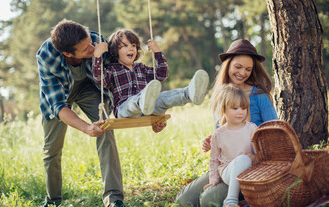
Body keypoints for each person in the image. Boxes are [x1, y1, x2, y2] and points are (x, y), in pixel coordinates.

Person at [36, 20, 166, 207]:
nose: (92, 48)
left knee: (104, 127)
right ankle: (53, 200)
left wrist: (151, 114)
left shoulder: (97, 42)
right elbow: (58, 106)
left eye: (90, 42)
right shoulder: (46, 57)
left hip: (89, 88)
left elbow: (127, 79)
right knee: (51, 149)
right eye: (85, 49)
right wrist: (86, 128)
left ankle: (113, 198)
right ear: (67, 53)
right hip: (60, 94)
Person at [175, 39, 278, 207]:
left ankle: (242, 195)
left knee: (209, 200)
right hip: (225, 165)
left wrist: (257, 156)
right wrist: (212, 140)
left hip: (250, 165)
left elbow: (276, 133)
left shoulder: (259, 95)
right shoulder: (220, 96)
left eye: (248, 69)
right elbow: (224, 130)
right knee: (183, 200)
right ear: (228, 65)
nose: (242, 72)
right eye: (238, 67)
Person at [91, 29, 209, 118]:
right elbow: (99, 79)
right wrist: (97, 56)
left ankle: (189, 93)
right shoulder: (112, 70)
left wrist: (157, 52)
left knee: (164, 97)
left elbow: (161, 75)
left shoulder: (141, 68)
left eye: (134, 45)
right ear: (115, 50)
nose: (131, 49)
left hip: (149, 108)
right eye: (125, 46)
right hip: (124, 109)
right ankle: (142, 101)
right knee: (132, 102)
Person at [205, 83, 257, 207]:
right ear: (223, 109)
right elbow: (214, 160)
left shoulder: (252, 128)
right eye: (235, 108)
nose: (240, 112)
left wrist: (255, 158)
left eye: (243, 108)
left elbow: (258, 152)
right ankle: (230, 200)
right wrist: (213, 179)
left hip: (249, 171)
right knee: (243, 159)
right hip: (228, 172)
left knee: (245, 159)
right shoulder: (219, 134)